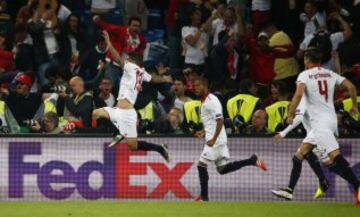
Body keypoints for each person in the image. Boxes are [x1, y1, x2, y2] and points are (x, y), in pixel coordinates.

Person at [273, 48, 360, 205]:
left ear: (307, 59)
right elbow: (352, 87)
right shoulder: (330, 73)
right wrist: (354, 105)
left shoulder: (304, 75)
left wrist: (290, 114)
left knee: (334, 157)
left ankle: (357, 186)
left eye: (304, 59)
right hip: (331, 120)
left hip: (320, 124)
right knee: (301, 154)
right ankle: (289, 190)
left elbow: (298, 94)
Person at [92, 31, 171, 162]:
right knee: (133, 146)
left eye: (128, 58)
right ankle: (160, 148)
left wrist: (109, 43)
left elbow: (117, 58)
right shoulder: (142, 72)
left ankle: (119, 132)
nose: (126, 60)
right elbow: (153, 79)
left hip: (125, 112)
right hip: (128, 112)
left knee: (96, 113)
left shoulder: (131, 67)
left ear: (132, 61)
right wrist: (164, 79)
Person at [192, 77, 267, 201]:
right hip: (216, 139)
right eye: (195, 86)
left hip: (215, 141)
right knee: (222, 169)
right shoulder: (204, 102)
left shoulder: (212, 100)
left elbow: (220, 121)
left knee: (201, 165)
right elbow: (211, 123)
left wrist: (213, 139)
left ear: (205, 86)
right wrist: (203, 132)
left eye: (198, 85)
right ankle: (251, 160)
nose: (196, 88)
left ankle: (204, 197)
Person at [272, 97, 330, 200]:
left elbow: (298, 119)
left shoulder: (303, 100)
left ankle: (290, 190)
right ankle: (323, 180)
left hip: (319, 134)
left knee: (298, 158)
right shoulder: (309, 102)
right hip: (320, 134)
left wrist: (283, 133)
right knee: (307, 156)